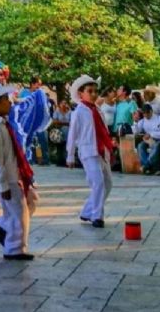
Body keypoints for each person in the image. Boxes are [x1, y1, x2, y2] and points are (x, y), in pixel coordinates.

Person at [0, 81, 35, 261]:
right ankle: (14, 248)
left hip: (13, 174)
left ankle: (3, 225)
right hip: (6, 178)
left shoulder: (2, 125)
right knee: (19, 212)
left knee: (27, 204)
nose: (9, 102)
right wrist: (2, 184)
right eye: (5, 99)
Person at [0, 61, 49, 190]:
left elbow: (14, 103)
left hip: (10, 125)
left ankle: (24, 178)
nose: (0, 77)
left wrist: (32, 99)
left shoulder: (6, 90)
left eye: (1, 74)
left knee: (18, 151)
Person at [67, 75, 113, 228]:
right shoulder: (79, 111)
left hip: (101, 150)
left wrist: (109, 144)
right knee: (98, 183)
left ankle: (87, 211)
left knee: (108, 183)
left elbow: (103, 128)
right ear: (81, 94)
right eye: (90, 91)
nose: (93, 94)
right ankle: (97, 216)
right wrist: (70, 155)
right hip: (88, 150)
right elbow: (73, 134)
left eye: (95, 91)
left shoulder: (97, 110)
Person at [133, 104, 160, 175]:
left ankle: (146, 166)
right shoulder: (143, 121)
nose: (146, 115)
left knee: (156, 146)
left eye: (147, 113)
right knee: (140, 146)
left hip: (159, 139)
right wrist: (136, 122)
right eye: (144, 114)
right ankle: (147, 166)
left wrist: (151, 134)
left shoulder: (159, 118)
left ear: (151, 111)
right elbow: (136, 131)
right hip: (148, 141)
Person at [48, 99, 72, 167]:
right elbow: (54, 121)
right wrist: (66, 123)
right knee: (59, 146)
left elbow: (72, 122)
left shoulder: (70, 112)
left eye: (65, 103)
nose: (64, 105)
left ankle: (66, 160)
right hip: (59, 131)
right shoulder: (57, 112)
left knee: (66, 146)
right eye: (62, 103)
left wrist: (60, 122)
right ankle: (60, 161)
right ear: (59, 105)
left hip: (68, 131)